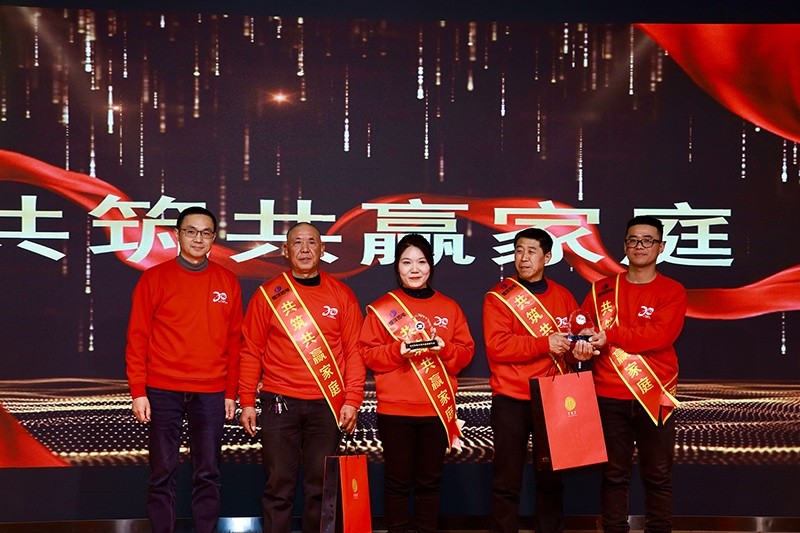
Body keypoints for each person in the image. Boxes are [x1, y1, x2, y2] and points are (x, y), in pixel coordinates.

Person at [238, 222, 366, 533]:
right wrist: (247, 401)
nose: (305, 249)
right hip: (279, 402)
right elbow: (251, 350)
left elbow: (354, 352)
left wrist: (352, 400)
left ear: (322, 250)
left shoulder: (342, 295)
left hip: (327, 404)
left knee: (321, 487)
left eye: (312, 242)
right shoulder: (268, 295)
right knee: (278, 486)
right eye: (297, 242)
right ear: (285, 250)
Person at [125, 206, 243, 533]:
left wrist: (231, 392)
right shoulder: (154, 278)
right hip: (163, 389)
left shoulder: (227, 281)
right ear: (178, 235)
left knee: (208, 472)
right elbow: (137, 338)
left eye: (206, 233)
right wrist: (138, 391)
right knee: (162, 473)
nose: (198, 239)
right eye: (191, 231)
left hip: (212, 391)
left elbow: (235, 343)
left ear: (214, 238)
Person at [360, 234, 475, 533]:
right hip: (395, 411)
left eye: (421, 262)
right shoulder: (383, 308)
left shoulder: (450, 307)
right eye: (406, 262)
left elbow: (465, 353)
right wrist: (397, 351)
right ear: (397, 267)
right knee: (397, 482)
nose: (414, 269)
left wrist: (444, 349)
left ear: (431, 266)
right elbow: (368, 355)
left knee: (430, 482)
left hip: (435, 409)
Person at [582, 215, 687, 533]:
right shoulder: (602, 289)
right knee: (614, 474)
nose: (639, 246)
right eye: (633, 240)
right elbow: (584, 326)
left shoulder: (672, 290)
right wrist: (582, 340)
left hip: (653, 394)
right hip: (608, 393)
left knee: (658, 474)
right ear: (625, 245)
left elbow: (659, 336)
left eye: (647, 240)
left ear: (661, 247)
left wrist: (610, 335)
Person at [483, 227, 586, 533]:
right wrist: (544, 343)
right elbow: (498, 346)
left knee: (552, 478)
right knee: (506, 479)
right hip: (511, 398)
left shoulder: (564, 296)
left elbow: (571, 346)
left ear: (547, 257)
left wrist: (580, 350)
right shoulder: (499, 297)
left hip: (553, 398)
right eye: (518, 251)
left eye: (531, 251)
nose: (523, 258)